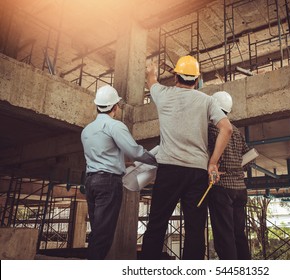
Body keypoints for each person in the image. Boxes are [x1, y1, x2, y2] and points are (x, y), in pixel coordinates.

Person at [141, 56, 233, 260]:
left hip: (168, 170)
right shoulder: (207, 101)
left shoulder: (162, 94)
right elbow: (226, 128)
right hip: (197, 174)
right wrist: (212, 162)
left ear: (176, 77)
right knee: (195, 228)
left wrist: (151, 72)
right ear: (197, 80)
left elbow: (152, 81)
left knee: (157, 223)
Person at [81, 84, 157, 260]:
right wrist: (154, 159)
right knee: (104, 234)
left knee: (97, 230)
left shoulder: (86, 130)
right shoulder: (115, 126)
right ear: (115, 107)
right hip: (108, 182)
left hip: (90, 182)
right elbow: (134, 151)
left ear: (97, 105)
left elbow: (102, 153)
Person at [208, 91, 251, 260]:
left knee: (224, 237)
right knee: (238, 234)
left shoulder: (212, 129)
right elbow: (250, 158)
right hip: (240, 190)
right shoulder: (237, 131)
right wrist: (236, 168)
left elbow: (209, 156)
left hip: (221, 189)